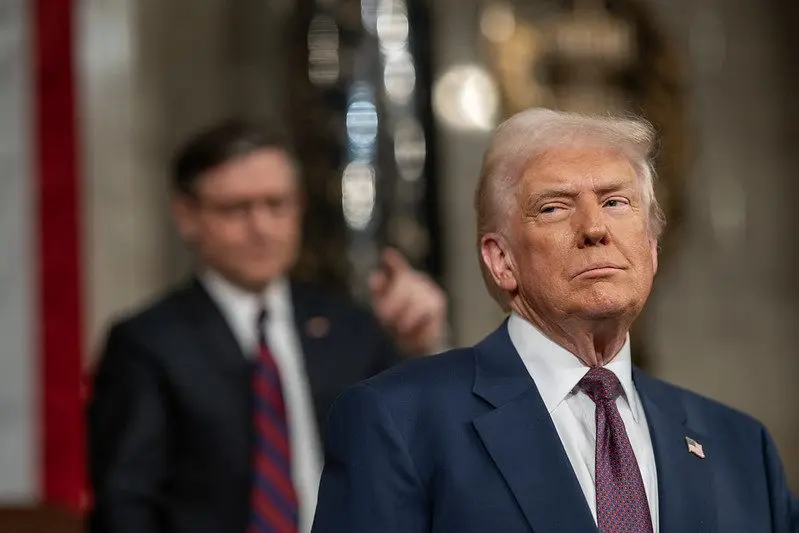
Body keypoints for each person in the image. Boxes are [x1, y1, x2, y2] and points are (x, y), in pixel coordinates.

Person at [311, 108, 799, 533]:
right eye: (554, 207)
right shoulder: (396, 421)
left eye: (615, 201)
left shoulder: (739, 445)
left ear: (650, 248)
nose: (594, 227)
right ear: (501, 260)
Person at [87, 119, 448, 533]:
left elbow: (427, 453)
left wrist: (423, 348)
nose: (261, 227)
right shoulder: (147, 343)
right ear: (186, 216)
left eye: (277, 204)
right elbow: (124, 505)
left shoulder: (348, 328)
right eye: (236, 209)